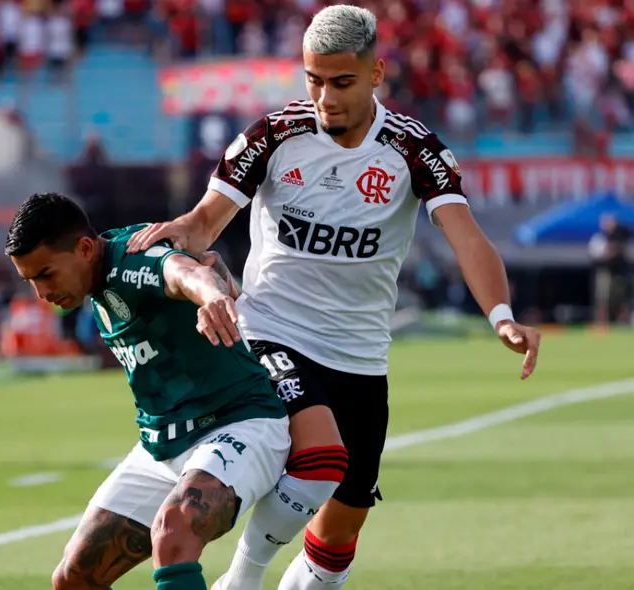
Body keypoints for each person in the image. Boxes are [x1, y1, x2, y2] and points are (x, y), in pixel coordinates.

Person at [126, 6, 543, 590]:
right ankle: (241, 579)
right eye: (314, 80)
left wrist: (502, 317)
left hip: (360, 357)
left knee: (337, 543)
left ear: (376, 74)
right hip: (271, 333)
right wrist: (176, 234)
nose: (325, 98)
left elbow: (467, 238)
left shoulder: (413, 149)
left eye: (342, 82)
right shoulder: (272, 136)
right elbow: (203, 223)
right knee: (322, 457)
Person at [5, 192, 293, 590]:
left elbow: (183, 272)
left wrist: (212, 296)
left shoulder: (133, 260)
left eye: (46, 274)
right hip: (162, 445)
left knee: (174, 532)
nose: (41, 292)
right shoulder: (96, 277)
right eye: (31, 280)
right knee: (74, 579)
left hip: (239, 424)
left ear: (85, 249)